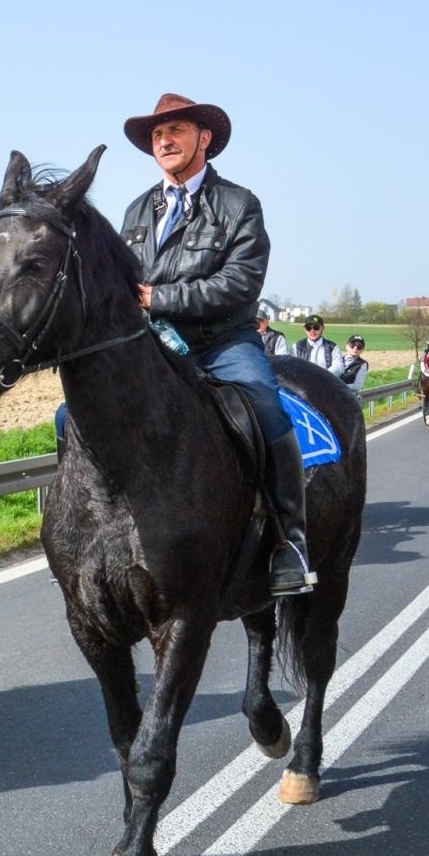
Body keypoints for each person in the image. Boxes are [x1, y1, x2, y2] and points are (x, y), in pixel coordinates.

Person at [120, 92, 311, 595]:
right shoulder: (137, 212)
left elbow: (240, 285)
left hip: (223, 342)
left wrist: (158, 297)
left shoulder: (239, 204)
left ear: (204, 138)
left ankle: (289, 540)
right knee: (69, 417)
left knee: (264, 403)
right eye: (157, 135)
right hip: (154, 350)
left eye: (175, 130)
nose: (164, 141)